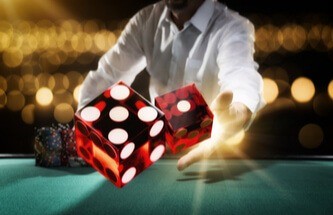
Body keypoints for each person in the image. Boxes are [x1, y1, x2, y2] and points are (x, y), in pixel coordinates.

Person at [78, 0, 265, 171]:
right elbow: (106, 75)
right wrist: (82, 130)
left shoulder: (232, 27)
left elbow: (241, 77)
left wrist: (237, 112)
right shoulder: (146, 20)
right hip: (155, 159)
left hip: (213, 160)